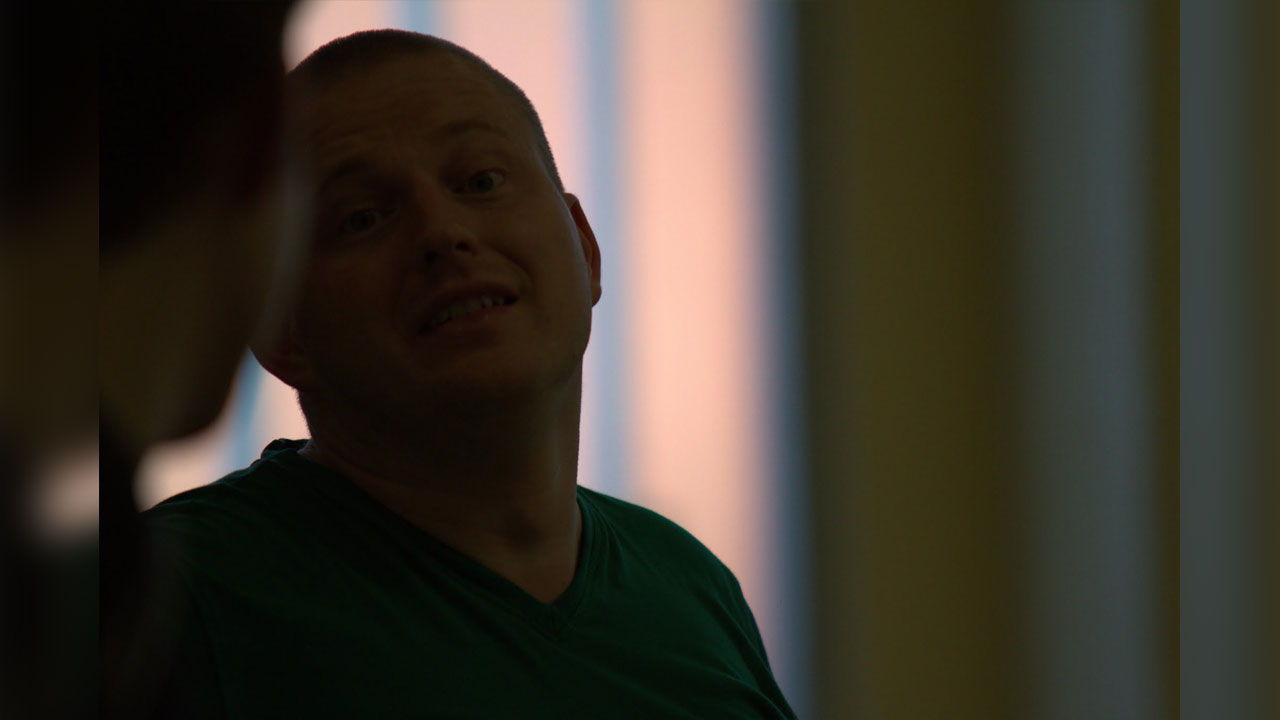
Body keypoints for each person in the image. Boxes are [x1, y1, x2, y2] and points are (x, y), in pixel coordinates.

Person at [143, 29, 796, 718]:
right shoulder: (174, 598)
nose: (441, 232)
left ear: (584, 246)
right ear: (280, 330)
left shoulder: (688, 585)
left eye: (481, 181)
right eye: (362, 219)